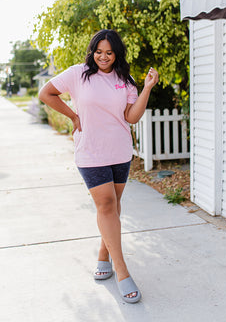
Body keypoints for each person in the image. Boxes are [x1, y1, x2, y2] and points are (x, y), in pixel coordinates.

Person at [39, 29, 158, 304]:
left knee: (114, 207)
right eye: (98, 51)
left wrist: (148, 87)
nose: (103, 57)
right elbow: (46, 93)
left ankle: (104, 255)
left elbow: (131, 116)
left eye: (109, 52)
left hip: (120, 151)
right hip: (90, 152)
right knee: (106, 205)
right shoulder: (78, 74)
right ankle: (122, 272)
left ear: (116, 54)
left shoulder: (125, 80)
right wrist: (73, 116)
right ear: (92, 51)